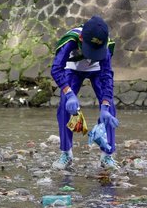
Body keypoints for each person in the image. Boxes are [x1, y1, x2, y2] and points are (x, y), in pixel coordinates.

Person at [50, 15, 119, 171]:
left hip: (97, 71)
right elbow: (56, 69)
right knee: (64, 106)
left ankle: (107, 155)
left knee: (109, 108)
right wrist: (68, 93)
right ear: (81, 39)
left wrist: (105, 105)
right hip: (73, 70)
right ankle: (66, 152)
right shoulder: (70, 41)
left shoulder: (105, 47)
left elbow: (107, 76)